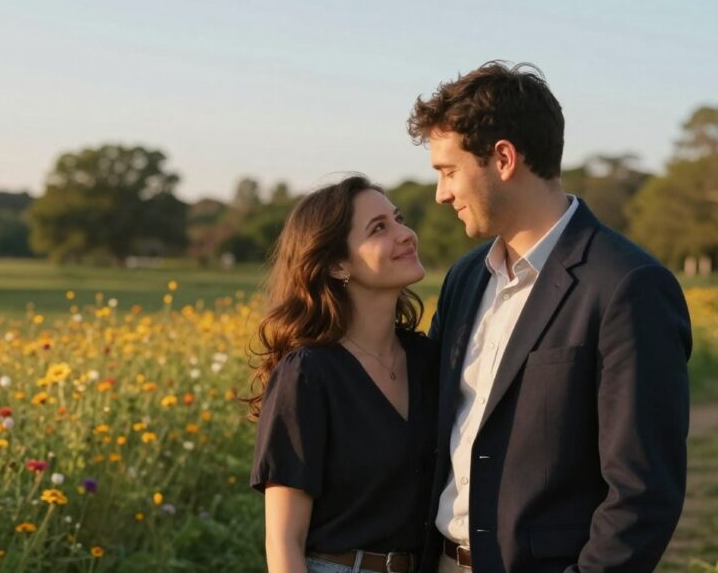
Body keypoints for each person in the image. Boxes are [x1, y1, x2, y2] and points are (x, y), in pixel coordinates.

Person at [406, 62, 691, 572]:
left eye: (448, 171)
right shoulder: (465, 278)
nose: (441, 193)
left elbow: (643, 493)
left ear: (504, 158)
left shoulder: (629, 286)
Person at [249, 175, 439, 573]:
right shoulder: (308, 373)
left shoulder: (427, 360)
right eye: (379, 228)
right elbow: (284, 541)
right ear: (337, 265)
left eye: (399, 219)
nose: (406, 234)